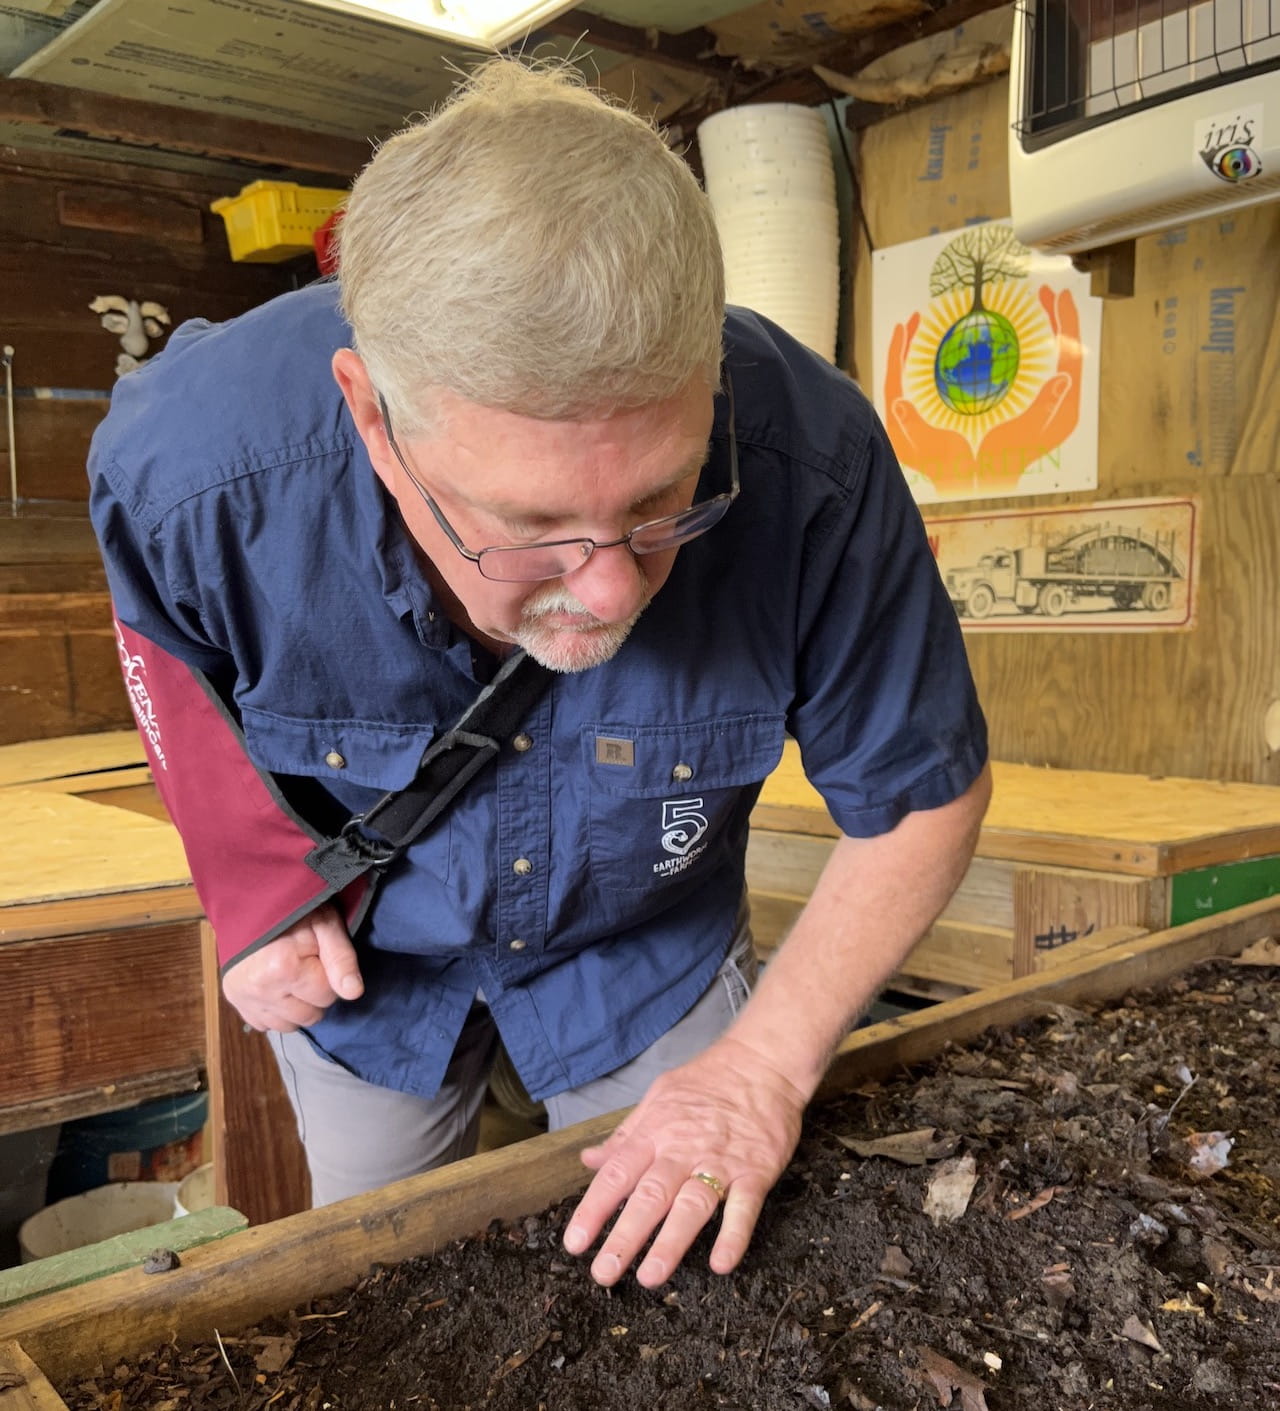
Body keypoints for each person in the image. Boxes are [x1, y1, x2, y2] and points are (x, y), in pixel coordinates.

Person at [89, 57, 991, 1290]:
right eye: (527, 522)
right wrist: (253, 896)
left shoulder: (815, 456)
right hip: (372, 979)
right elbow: (170, 675)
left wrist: (759, 1070)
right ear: (372, 418)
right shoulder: (188, 470)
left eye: (663, 498)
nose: (612, 592)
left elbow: (920, 791)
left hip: (647, 953)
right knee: (382, 1295)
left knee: (697, 1278)